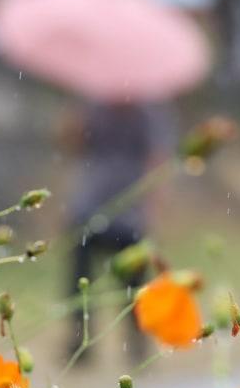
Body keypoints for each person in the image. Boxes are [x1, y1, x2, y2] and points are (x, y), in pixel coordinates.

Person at [64, 100, 172, 362]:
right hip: (90, 205)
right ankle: (79, 342)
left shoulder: (149, 113)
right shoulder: (91, 106)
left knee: (134, 284)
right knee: (80, 280)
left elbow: (157, 159)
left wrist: (154, 210)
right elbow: (71, 145)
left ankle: (136, 343)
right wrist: (73, 122)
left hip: (130, 210)